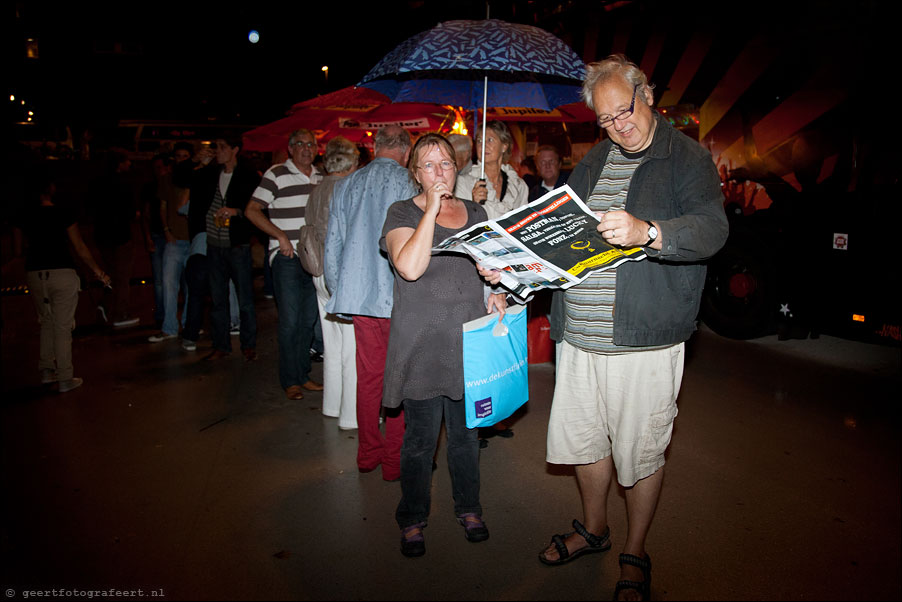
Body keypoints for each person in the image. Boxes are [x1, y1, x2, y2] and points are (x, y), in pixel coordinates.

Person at [487, 54, 727, 601]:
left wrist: (649, 231)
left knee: (640, 451)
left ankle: (635, 550)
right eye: (606, 119)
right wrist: (514, 279)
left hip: (643, 338)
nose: (619, 126)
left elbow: (712, 229)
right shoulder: (594, 162)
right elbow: (560, 248)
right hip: (580, 335)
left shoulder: (685, 158)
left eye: (625, 112)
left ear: (647, 97)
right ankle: (594, 529)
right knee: (586, 443)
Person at [381, 133, 507, 557]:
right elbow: (410, 268)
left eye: (446, 164)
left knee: (466, 438)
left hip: (467, 343)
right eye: (429, 165)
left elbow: (491, 272)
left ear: (458, 167)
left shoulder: (476, 211)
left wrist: (496, 288)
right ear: (415, 173)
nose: (440, 172)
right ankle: (413, 518)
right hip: (421, 345)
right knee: (419, 441)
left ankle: (469, 508)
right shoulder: (401, 212)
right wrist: (432, 210)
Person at [324, 125, 417, 482]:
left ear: (374, 147)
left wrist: (340, 289)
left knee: (369, 379)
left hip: (361, 298)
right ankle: (394, 461)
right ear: (407, 152)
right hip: (401, 295)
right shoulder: (409, 185)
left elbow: (332, 244)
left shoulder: (347, 184)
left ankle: (367, 455)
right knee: (401, 380)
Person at [14, 174, 111, 392]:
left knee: (46, 321)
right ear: (51, 189)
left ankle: (47, 370)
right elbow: (80, 247)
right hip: (62, 271)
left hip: (36, 273)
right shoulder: (63, 213)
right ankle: (65, 377)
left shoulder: (23, 215)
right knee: (63, 326)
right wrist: (98, 272)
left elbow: (17, 250)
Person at [245, 129, 324, 397]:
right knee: (290, 321)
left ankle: (302, 374)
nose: (306, 148)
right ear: (290, 148)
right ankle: (290, 380)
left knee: (308, 320)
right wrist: (279, 236)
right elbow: (252, 210)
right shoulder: (276, 174)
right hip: (287, 258)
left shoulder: (320, 177)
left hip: (313, 259)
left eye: (311, 144)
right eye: (300, 144)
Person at [186, 134, 260, 361]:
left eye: (222, 147)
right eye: (216, 147)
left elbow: (257, 208)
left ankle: (248, 344)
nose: (217, 151)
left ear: (235, 149)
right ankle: (221, 346)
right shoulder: (209, 174)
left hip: (237, 244)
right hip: (214, 244)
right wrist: (198, 162)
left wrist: (235, 211)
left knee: (245, 298)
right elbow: (183, 180)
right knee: (218, 299)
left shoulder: (247, 175)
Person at [303, 136, 359, 428]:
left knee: (332, 343)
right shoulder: (348, 189)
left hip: (318, 272)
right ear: (351, 163)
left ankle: (332, 405)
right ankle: (351, 415)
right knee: (351, 346)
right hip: (342, 273)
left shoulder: (317, 190)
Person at [92, 150, 140, 328]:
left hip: (103, 235)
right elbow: (131, 212)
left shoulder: (98, 182)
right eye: (127, 161)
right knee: (122, 276)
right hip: (120, 235)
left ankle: (104, 305)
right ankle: (120, 313)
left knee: (111, 273)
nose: (129, 164)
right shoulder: (124, 184)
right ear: (119, 163)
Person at [147, 154, 191, 343]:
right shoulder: (167, 180)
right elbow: (162, 207)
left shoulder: (196, 178)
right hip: (174, 239)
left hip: (193, 239)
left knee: (191, 286)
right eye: (179, 156)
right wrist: (166, 230)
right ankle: (170, 327)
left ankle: (190, 326)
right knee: (168, 284)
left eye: (186, 157)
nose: (182, 160)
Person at [454, 120, 528, 219]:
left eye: (490, 140)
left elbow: (524, 222)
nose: (483, 145)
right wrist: (473, 205)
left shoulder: (518, 185)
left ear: (504, 146)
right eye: (479, 141)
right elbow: (457, 222)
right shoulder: (463, 182)